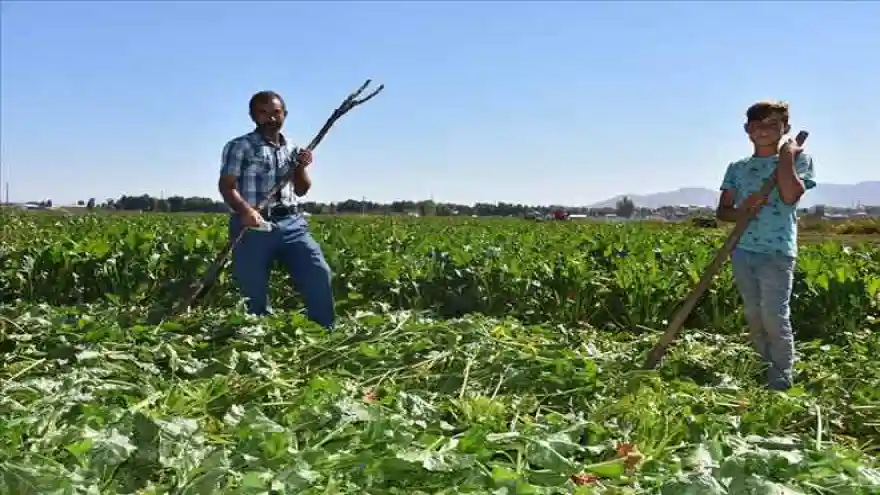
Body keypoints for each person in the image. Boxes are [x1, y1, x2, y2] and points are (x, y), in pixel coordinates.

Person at [716, 100, 816, 391]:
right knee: (754, 314)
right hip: (743, 248)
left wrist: (786, 156)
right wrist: (742, 209)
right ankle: (762, 365)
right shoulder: (737, 168)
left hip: (777, 251)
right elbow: (723, 213)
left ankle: (781, 378)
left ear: (785, 128)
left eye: (772, 124)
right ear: (747, 130)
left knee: (774, 314)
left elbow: (789, 196)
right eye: (757, 125)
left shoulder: (799, 160)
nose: (763, 130)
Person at [217, 90, 335, 329]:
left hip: (292, 224)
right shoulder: (240, 146)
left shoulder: (292, 148)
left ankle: (324, 330)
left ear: (284, 114)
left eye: (275, 112)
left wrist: (301, 168)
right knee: (253, 287)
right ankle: (257, 336)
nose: (270, 118)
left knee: (318, 272)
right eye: (263, 113)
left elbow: (301, 190)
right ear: (253, 116)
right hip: (253, 226)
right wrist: (245, 211)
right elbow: (227, 186)